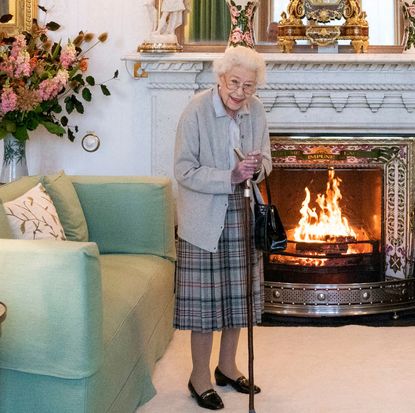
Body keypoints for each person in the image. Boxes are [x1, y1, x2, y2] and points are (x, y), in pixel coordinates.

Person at [174, 46, 271, 411]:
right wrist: (229, 175)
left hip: (244, 212)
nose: (240, 93)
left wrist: (256, 167)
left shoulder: (256, 110)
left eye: (248, 86)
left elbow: (267, 161)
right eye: (234, 83)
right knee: (205, 306)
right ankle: (199, 377)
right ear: (220, 78)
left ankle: (227, 367)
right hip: (204, 217)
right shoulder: (196, 110)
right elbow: (183, 171)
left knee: (237, 298)